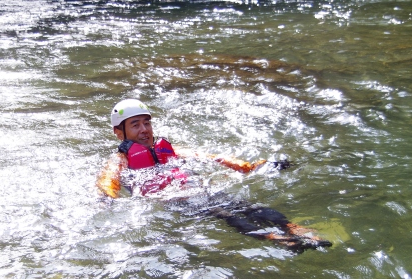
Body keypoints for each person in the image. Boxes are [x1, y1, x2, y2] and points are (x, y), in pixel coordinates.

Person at [96, 99, 332, 253]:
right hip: (176, 200)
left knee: (249, 206)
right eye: (135, 125)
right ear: (120, 133)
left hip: (197, 189)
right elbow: (108, 179)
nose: (144, 129)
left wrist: (249, 167)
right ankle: (275, 238)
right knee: (225, 214)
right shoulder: (122, 159)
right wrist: (108, 196)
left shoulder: (168, 149)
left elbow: (209, 156)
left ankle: (294, 228)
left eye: (146, 123)